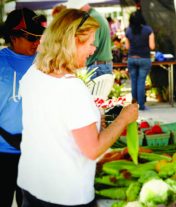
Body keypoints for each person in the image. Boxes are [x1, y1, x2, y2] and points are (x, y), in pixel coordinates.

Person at [17, 9, 138, 207]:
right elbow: (92, 150)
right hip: (66, 195)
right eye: (90, 43)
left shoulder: (34, 71)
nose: (93, 50)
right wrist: (124, 118)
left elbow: (50, 118)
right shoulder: (71, 88)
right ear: (71, 42)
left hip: (32, 186)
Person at [0, 8, 45, 207]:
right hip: (2, 152)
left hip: (36, 153)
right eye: (30, 37)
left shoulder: (45, 63)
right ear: (13, 36)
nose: (36, 42)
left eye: (39, 37)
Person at [67, 0, 113, 79]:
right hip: (101, 66)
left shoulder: (92, 18)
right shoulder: (96, 15)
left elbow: (91, 47)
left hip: (97, 67)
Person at [125, 11, 155, 110]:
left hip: (132, 59)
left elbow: (127, 46)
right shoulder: (148, 30)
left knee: (133, 82)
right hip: (144, 58)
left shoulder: (128, 31)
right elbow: (152, 46)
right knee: (141, 82)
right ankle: (141, 105)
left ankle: (134, 105)